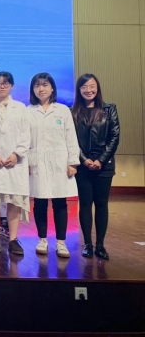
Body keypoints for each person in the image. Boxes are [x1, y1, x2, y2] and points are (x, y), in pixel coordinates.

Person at [27, 73, 79, 258]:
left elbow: (70, 137)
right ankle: (42, 239)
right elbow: (25, 139)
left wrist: (73, 162)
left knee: (60, 202)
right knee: (40, 202)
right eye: (37, 85)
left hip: (59, 162)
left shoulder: (63, 110)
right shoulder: (28, 111)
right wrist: (26, 162)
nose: (41, 89)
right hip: (37, 162)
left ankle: (61, 242)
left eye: (45, 85)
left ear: (52, 88)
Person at [0, 71, 31, 256]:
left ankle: (13, 239)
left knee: (14, 200)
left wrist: (17, 154)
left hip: (14, 162)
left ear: (11, 86)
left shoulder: (21, 108)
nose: (2, 86)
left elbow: (26, 133)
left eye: (6, 83)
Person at [71, 73, 120, 260]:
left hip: (104, 165)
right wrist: (84, 159)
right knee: (85, 204)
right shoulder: (72, 112)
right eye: (84, 87)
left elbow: (114, 136)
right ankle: (88, 245)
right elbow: (71, 140)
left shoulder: (109, 109)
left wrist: (101, 160)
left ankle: (100, 245)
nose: (88, 90)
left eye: (92, 86)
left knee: (101, 203)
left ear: (97, 88)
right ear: (79, 90)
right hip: (83, 165)